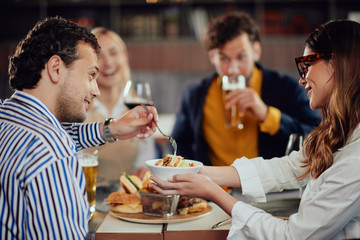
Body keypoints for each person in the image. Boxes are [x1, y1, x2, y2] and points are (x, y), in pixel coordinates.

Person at [151, 19, 360, 239]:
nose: (303, 78)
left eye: (307, 64)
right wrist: (197, 172)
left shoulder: (354, 160)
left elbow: (293, 236)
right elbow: (290, 167)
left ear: (335, 64)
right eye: (224, 58)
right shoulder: (340, 132)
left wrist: (211, 190)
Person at [0, 17, 157, 239]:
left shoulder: (8, 120)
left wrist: (112, 129)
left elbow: (53, 134)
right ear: (56, 68)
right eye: (91, 75)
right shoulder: (52, 151)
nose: (96, 90)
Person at [172, 12, 321, 167]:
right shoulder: (194, 95)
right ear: (212, 57)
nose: (233, 70)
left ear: (256, 51)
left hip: (271, 189)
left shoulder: (288, 88)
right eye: (224, 58)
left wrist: (267, 115)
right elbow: (177, 146)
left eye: (241, 57)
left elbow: (316, 137)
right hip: (215, 187)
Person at [87, 27, 156, 180]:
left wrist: (144, 171)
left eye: (113, 53)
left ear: (125, 57)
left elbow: (145, 164)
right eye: (99, 56)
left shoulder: (141, 108)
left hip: (128, 198)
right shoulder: (79, 110)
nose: (108, 62)